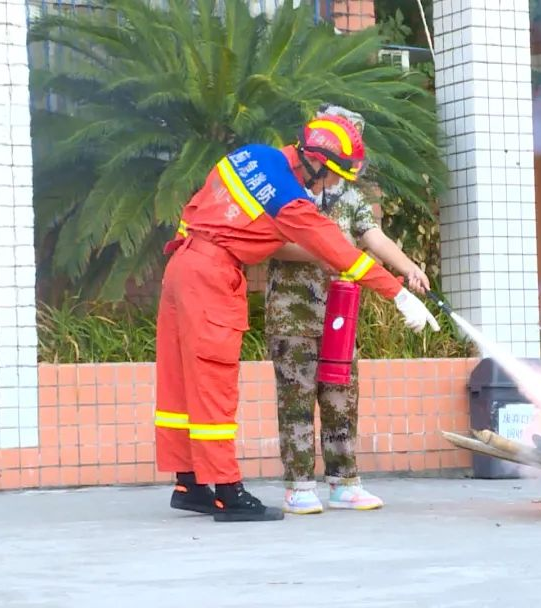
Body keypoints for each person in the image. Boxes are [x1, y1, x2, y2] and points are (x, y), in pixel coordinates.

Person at [153, 110, 441, 523]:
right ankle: (228, 494)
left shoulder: (251, 156)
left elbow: (195, 205)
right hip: (211, 278)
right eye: (334, 177)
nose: (333, 186)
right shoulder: (290, 200)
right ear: (317, 164)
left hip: (182, 264)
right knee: (214, 385)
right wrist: (397, 294)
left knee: (181, 384)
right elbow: (340, 253)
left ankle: (190, 484)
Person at [265, 105, 430, 515]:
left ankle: (344, 482)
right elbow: (271, 244)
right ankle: (299, 486)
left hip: (339, 315)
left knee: (341, 399)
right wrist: (325, 253)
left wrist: (408, 268)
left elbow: (374, 237)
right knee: (296, 400)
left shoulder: (349, 197)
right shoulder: (287, 187)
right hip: (292, 315)